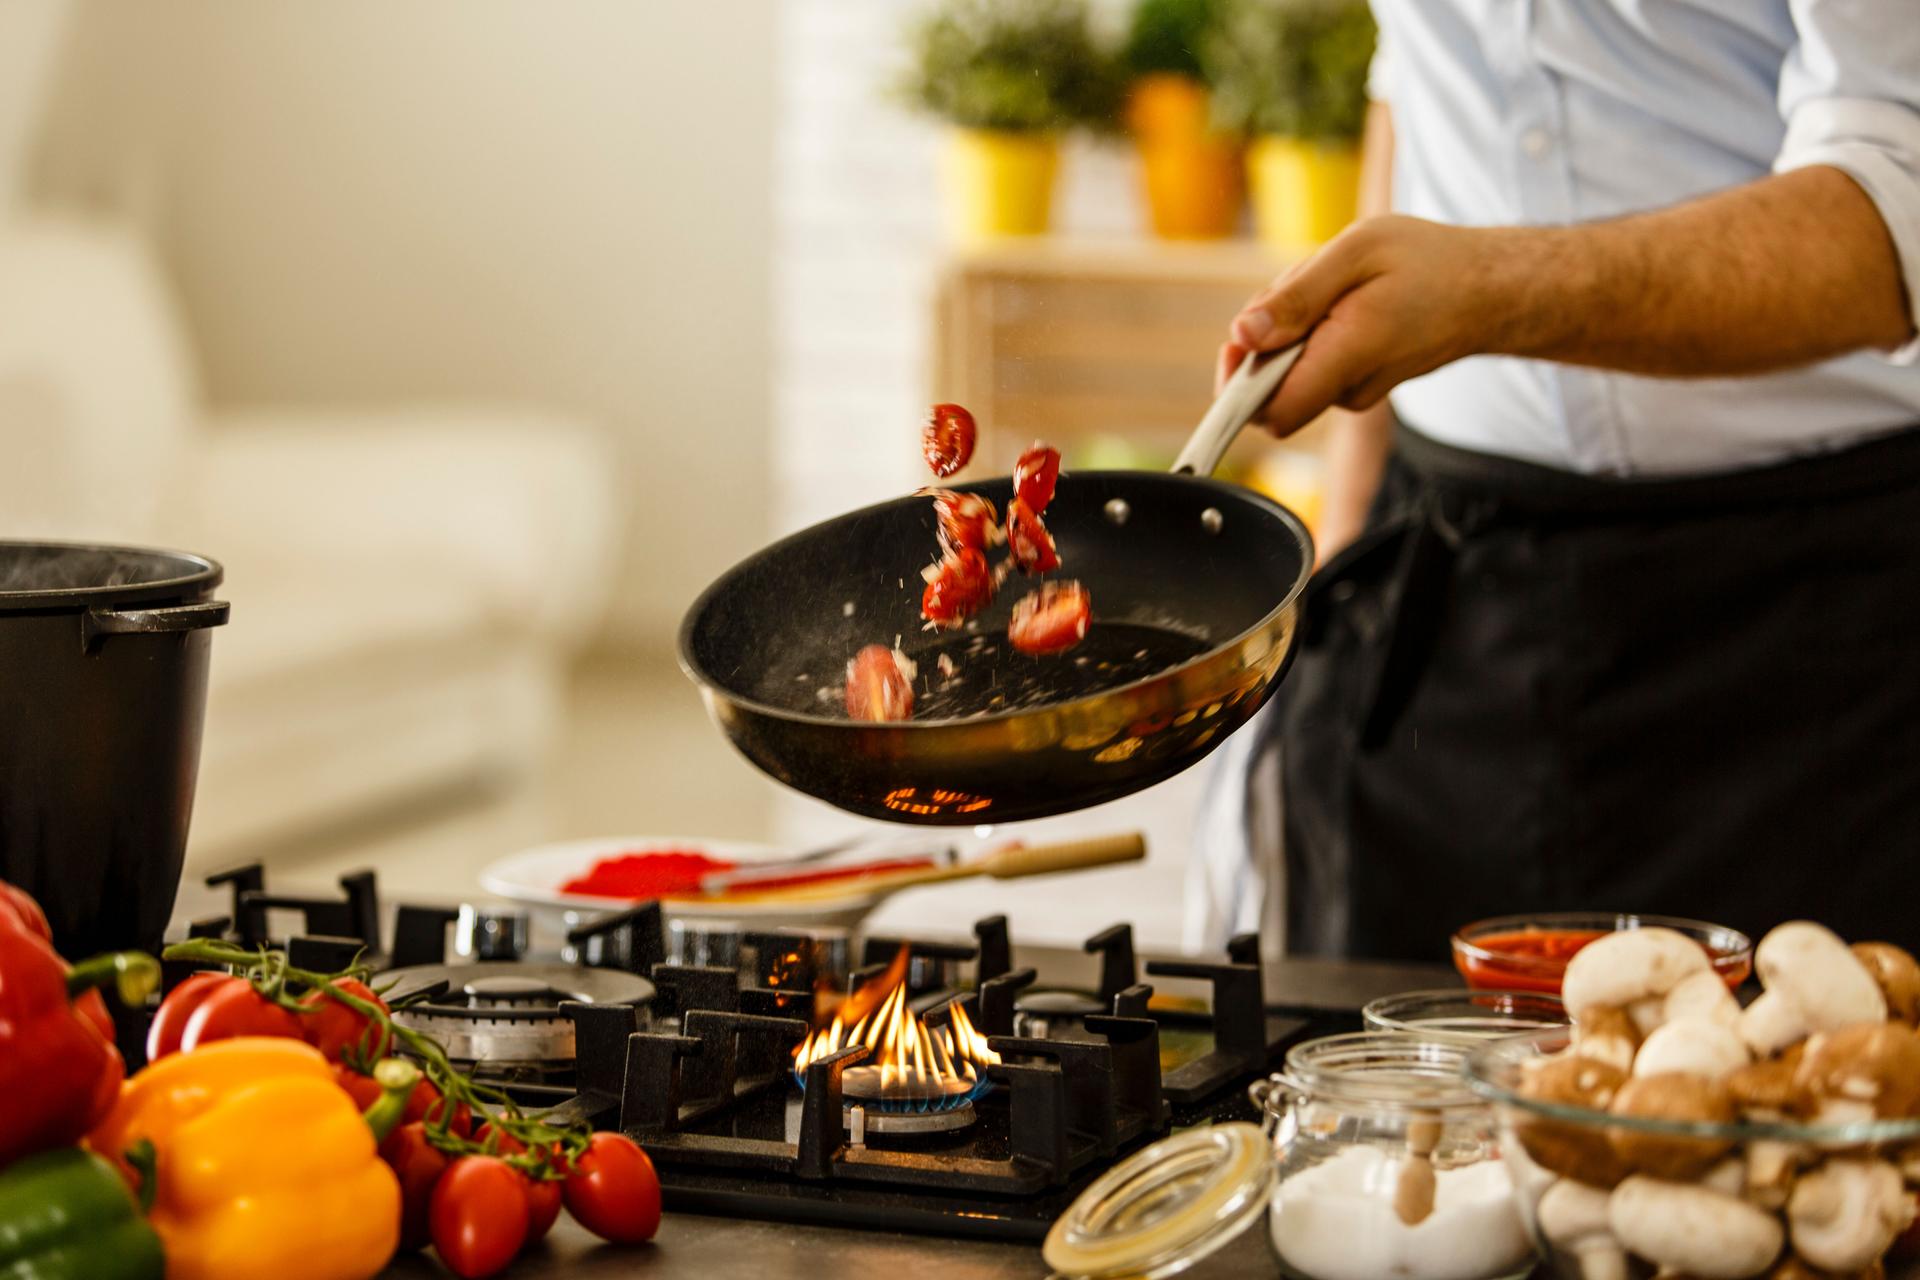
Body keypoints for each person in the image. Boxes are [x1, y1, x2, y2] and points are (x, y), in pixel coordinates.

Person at [1190, 0, 1920, 961]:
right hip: (1448, 600)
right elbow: (1415, 69)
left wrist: (1490, 290)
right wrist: (1343, 532)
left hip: (1814, 624)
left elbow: (1897, 205)